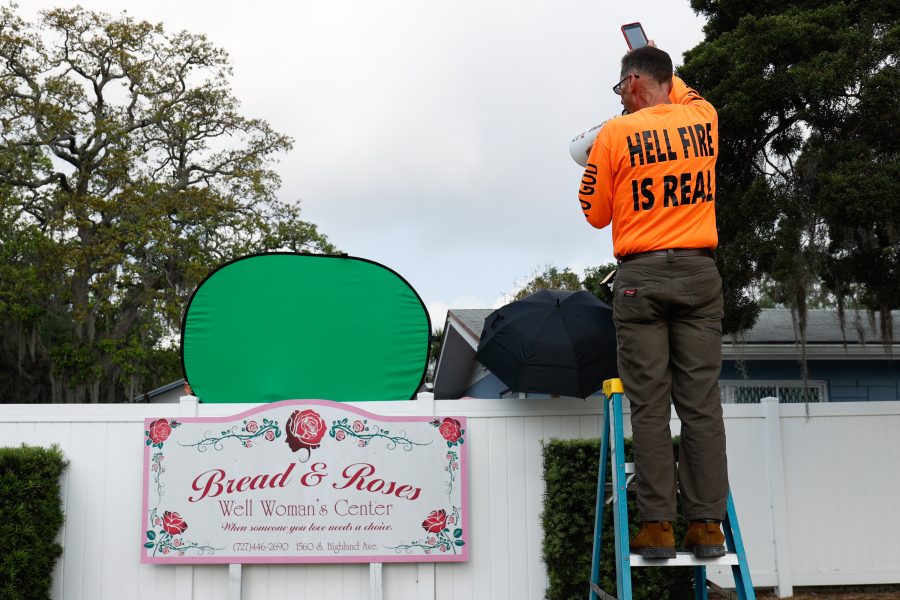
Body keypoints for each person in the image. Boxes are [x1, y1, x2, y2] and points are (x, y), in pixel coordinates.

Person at [577, 44, 728, 559]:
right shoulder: (703, 119)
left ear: (635, 82)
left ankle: (659, 527)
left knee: (649, 405)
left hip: (639, 277)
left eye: (623, 88)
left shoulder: (614, 134)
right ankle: (707, 526)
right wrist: (660, 77)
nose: (621, 98)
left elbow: (593, 213)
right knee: (701, 405)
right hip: (698, 272)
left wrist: (607, 166)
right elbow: (683, 90)